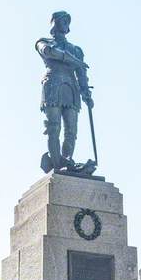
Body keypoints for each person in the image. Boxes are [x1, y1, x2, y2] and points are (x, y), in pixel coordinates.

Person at [35, 10, 93, 173]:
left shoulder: (76, 49)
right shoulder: (43, 41)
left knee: (71, 130)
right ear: (54, 22)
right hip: (53, 85)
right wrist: (74, 61)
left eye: (67, 21)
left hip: (71, 89)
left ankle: (66, 161)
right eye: (61, 19)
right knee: (53, 127)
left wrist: (86, 93)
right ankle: (56, 162)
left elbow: (81, 74)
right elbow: (49, 51)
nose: (65, 22)